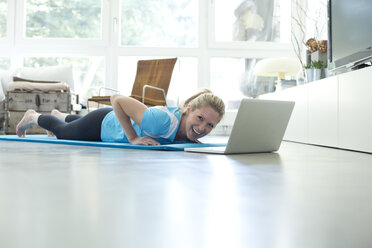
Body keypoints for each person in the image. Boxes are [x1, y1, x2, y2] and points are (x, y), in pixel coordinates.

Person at [16, 89, 225, 145]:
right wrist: (133, 138)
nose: (203, 127)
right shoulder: (161, 121)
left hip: (107, 121)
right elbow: (117, 99)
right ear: (188, 109)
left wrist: (192, 135)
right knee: (63, 132)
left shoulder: (185, 131)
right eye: (200, 119)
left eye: (210, 125)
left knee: (72, 123)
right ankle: (34, 116)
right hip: (103, 125)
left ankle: (60, 115)